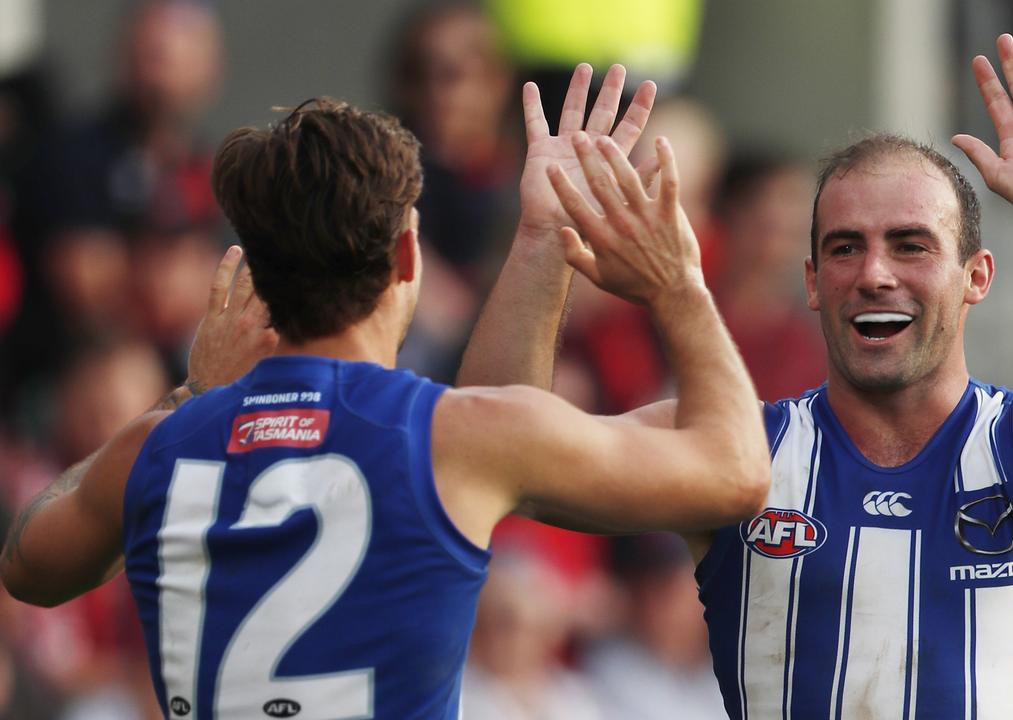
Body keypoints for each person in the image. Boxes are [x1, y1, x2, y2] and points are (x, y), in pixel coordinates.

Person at [458, 33, 1013, 718]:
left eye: (911, 244)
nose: (874, 272)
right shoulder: (739, 456)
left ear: (977, 276)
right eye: (845, 248)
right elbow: (498, 452)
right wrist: (542, 236)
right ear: (810, 281)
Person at [0, 70, 772, 718]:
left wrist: (189, 392)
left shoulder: (157, 446)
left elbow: (29, 563)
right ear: (408, 253)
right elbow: (735, 471)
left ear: (259, 275)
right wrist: (677, 283)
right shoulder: (455, 439)